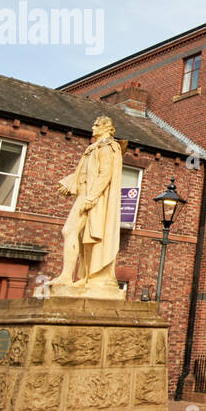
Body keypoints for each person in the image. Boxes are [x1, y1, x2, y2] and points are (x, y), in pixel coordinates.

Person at [49, 116, 125, 298]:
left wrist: (91, 198)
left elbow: (105, 174)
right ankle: (79, 276)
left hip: (92, 197)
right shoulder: (93, 148)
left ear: (107, 128)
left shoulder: (107, 147)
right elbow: (84, 172)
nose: (93, 127)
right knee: (82, 237)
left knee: (70, 231)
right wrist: (70, 182)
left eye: (97, 124)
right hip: (85, 194)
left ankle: (68, 276)